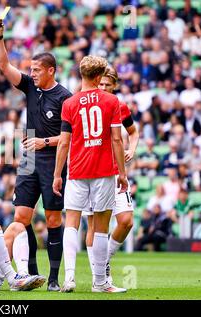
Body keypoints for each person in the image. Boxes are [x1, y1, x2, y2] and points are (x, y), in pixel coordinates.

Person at [0, 16, 72, 291]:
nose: (32, 73)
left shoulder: (65, 98)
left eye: (37, 69)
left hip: (53, 161)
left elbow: (69, 137)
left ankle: (53, 279)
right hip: (28, 162)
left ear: (51, 70)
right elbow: (3, 65)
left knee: (52, 219)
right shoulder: (29, 87)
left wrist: (43, 142)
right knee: (21, 218)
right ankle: (31, 272)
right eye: (31, 69)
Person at [53, 56, 128, 293]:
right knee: (101, 226)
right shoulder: (111, 101)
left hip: (76, 171)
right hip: (104, 170)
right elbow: (117, 139)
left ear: (82, 75)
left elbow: (64, 143)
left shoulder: (70, 104)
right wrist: (122, 174)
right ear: (98, 77)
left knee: (72, 223)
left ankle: (70, 279)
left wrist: (57, 174)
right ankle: (99, 283)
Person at [83, 66, 139, 285]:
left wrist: (132, 149)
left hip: (115, 172)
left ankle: (103, 260)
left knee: (126, 221)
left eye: (108, 84)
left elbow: (133, 132)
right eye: (101, 84)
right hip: (92, 171)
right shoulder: (87, 104)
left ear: (115, 85)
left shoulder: (119, 106)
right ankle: (100, 277)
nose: (104, 87)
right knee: (94, 225)